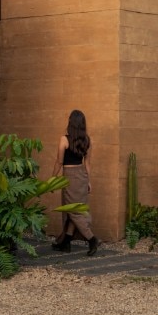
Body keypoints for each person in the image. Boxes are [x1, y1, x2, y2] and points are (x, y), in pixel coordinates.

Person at [52, 109, 99, 256]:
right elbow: (87, 164)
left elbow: (59, 161)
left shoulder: (64, 139)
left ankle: (92, 239)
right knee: (74, 210)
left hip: (70, 177)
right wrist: (88, 181)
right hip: (82, 176)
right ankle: (65, 242)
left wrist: (53, 178)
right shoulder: (87, 140)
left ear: (70, 123)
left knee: (74, 211)